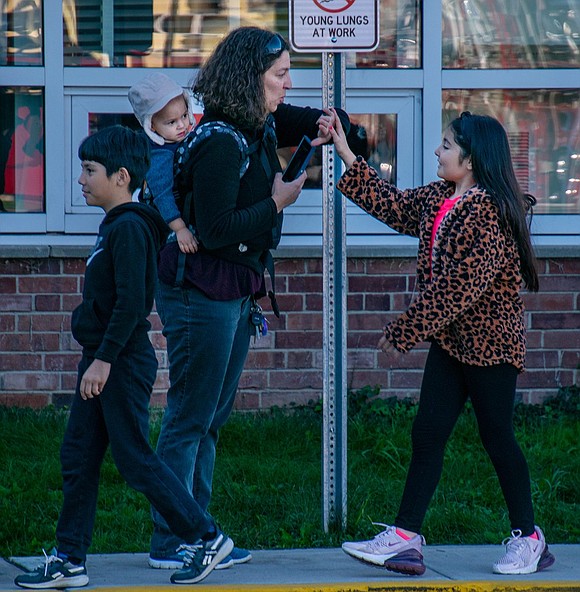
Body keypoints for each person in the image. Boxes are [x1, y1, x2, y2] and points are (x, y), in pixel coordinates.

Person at [149, 26, 350, 570]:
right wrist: (278, 201)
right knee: (191, 417)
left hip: (235, 288)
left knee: (211, 417)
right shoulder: (218, 139)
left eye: (289, 74)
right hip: (201, 290)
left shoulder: (258, 119)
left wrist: (332, 124)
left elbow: (315, 120)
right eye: (280, 75)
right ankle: (171, 542)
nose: (287, 85)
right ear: (249, 77)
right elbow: (213, 230)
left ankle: (198, 533)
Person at [328, 110, 556, 577]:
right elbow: (392, 206)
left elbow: (460, 287)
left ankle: (530, 537)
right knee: (427, 433)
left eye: (447, 146)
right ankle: (406, 539)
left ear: (471, 159)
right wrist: (347, 153)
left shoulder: (489, 212)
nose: (438, 151)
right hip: (452, 344)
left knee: (497, 437)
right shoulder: (442, 197)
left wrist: (405, 330)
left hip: (491, 346)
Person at [14, 125, 233, 589]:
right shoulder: (117, 225)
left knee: (134, 459)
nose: (81, 180)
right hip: (104, 357)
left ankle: (207, 536)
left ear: (120, 176)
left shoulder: (131, 227)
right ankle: (70, 559)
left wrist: (103, 359)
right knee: (78, 454)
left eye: (89, 170)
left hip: (119, 361)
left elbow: (133, 303)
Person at [128, 72, 199, 255]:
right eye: (171, 122)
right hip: (165, 226)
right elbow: (163, 196)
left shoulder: (175, 141)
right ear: (151, 125)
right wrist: (180, 229)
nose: (182, 125)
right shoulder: (159, 156)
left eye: (184, 116)